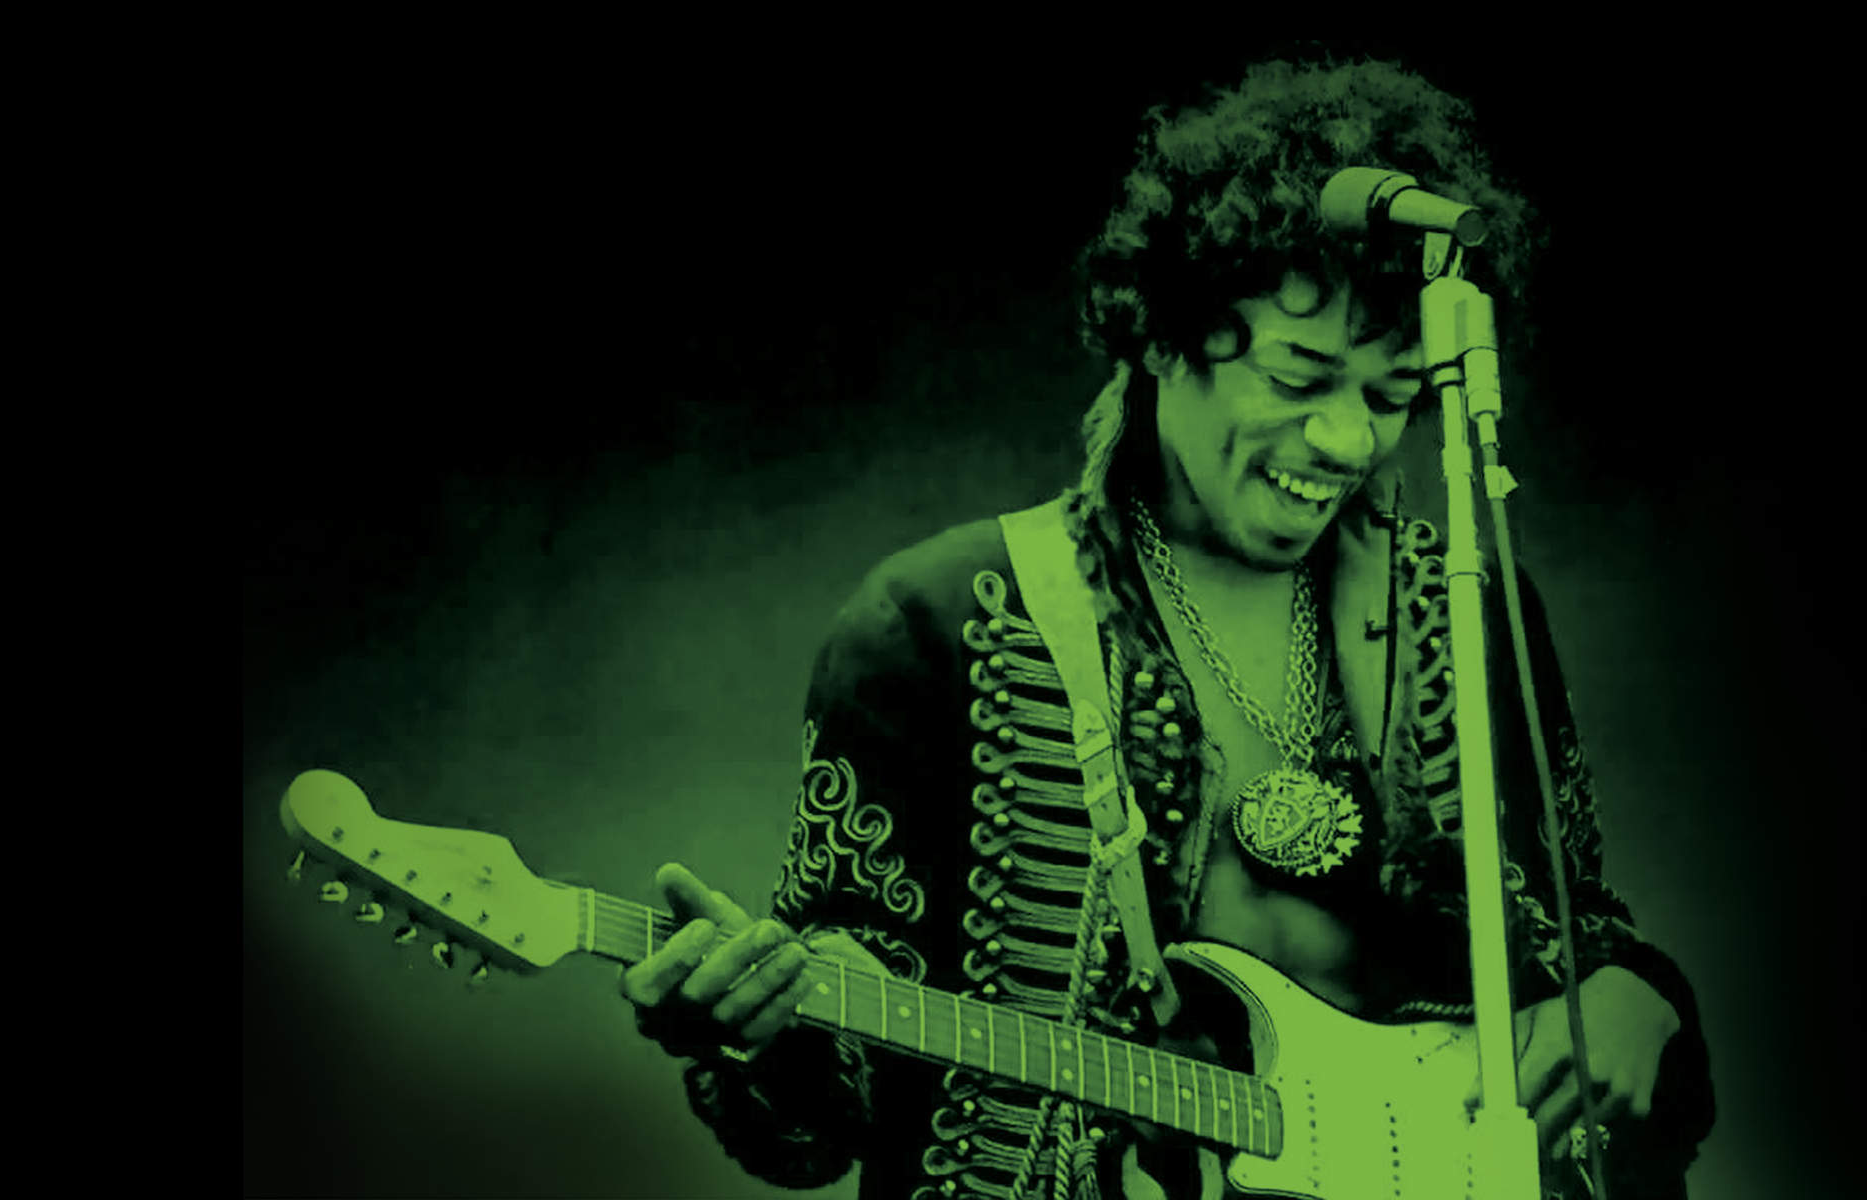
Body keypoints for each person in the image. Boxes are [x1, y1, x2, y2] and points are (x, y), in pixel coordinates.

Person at [619, 54, 1716, 1200]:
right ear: (1158, 334)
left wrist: (1634, 997)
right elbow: (827, 1105)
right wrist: (759, 1035)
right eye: (1297, 376)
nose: (1346, 441)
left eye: (1389, 395)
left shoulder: (1464, 606)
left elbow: (1575, 932)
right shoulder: (935, 622)